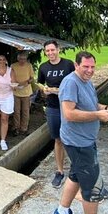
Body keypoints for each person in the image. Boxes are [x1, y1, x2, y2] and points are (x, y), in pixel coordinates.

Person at [52, 51, 108, 214]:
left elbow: (92, 103)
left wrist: (106, 108)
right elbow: (69, 114)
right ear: (76, 65)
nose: (90, 70)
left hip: (85, 140)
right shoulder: (70, 82)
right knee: (91, 185)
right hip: (78, 142)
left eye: (92, 67)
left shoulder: (87, 81)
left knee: (75, 175)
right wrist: (99, 116)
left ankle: (62, 213)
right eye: (85, 67)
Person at [37, 40, 74, 188]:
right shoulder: (43, 67)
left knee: (71, 138)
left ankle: (76, 168)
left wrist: (59, 91)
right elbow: (40, 84)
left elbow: (74, 84)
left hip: (68, 106)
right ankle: (59, 172)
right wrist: (44, 90)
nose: (50, 53)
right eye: (47, 51)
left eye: (53, 50)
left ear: (58, 49)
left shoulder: (68, 64)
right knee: (58, 139)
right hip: (53, 107)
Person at [11, 51, 34, 136]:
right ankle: (16, 128)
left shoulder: (29, 66)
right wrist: (14, 83)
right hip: (16, 91)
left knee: (25, 111)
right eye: (21, 59)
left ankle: (24, 128)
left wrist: (28, 82)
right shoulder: (13, 66)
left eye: (24, 59)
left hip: (26, 92)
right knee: (16, 111)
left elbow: (32, 78)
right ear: (18, 58)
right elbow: (10, 77)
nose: (22, 60)